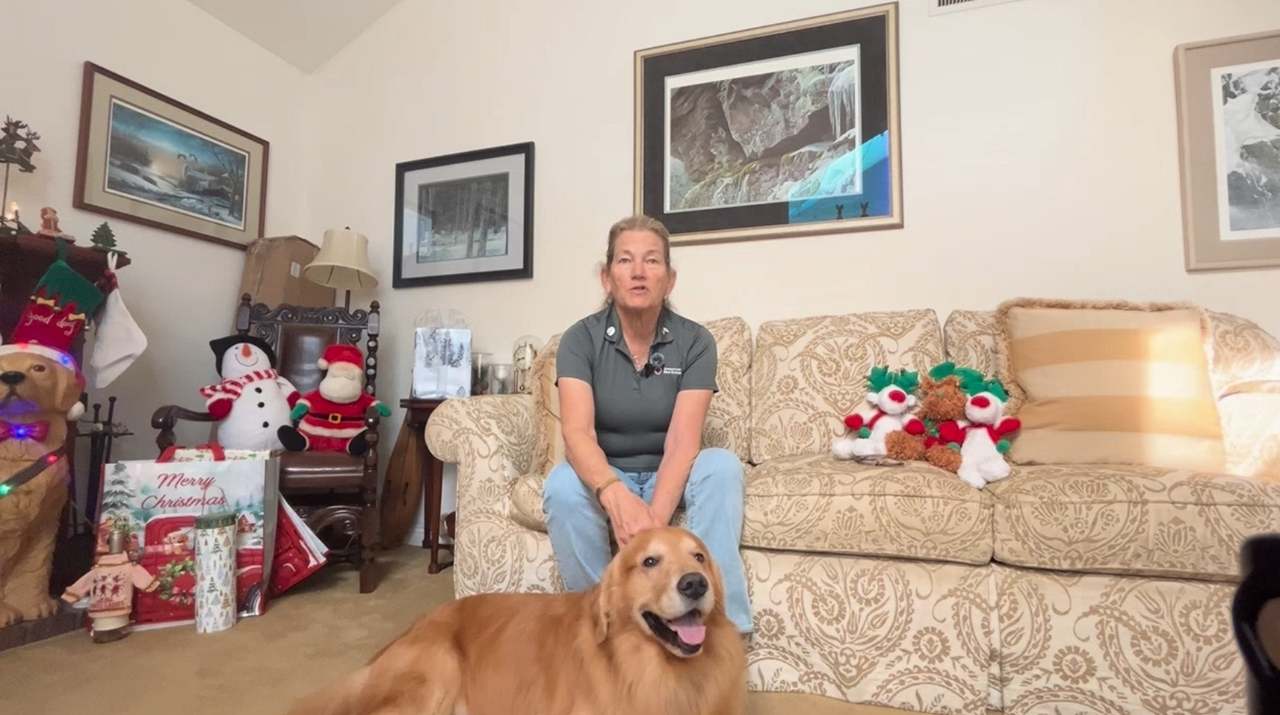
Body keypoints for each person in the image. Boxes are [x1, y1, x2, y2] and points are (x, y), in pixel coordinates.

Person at [542, 214, 752, 635]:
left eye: (652, 261)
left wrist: (652, 523)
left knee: (723, 467)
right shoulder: (579, 340)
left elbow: (682, 441)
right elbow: (577, 433)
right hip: (609, 472)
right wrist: (616, 496)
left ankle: (725, 629)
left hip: (671, 471)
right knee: (562, 485)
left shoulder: (695, 342)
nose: (638, 272)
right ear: (606, 277)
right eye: (625, 261)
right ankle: (601, 625)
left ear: (670, 280)